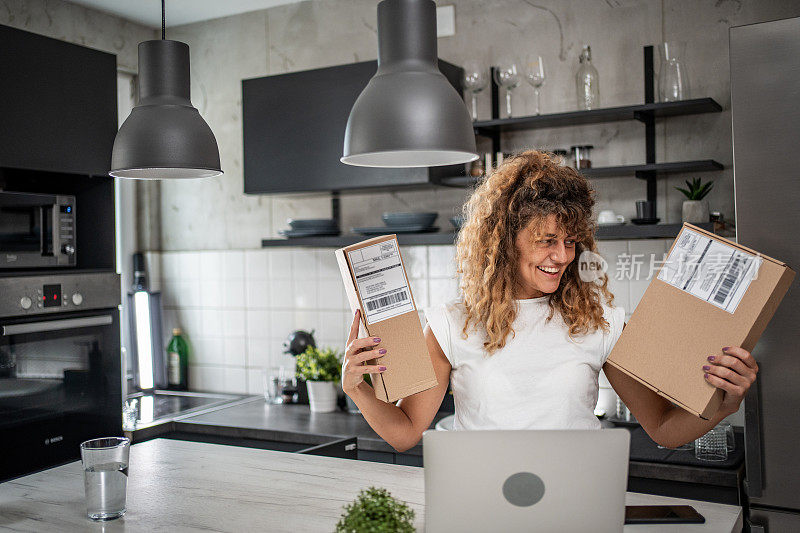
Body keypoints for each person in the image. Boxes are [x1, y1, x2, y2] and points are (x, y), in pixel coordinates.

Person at [342, 150, 758, 452]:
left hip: (573, 510)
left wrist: (724, 404)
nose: (562, 256)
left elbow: (664, 428)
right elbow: (405, 432)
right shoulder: (454, 324)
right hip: (482, 509)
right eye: (546, 241)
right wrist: (359, 391)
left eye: (571, 242)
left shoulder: (600, 323)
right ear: (505, 241)